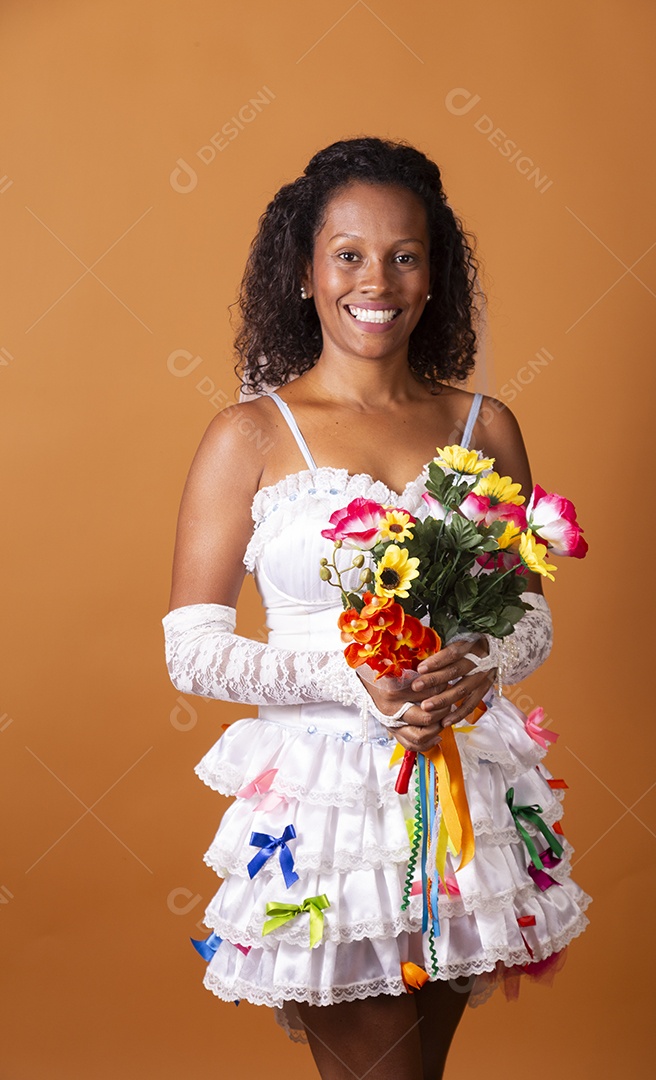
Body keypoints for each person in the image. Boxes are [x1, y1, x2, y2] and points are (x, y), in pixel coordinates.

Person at [162, 137, 591, 1080]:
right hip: (327, 815)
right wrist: (350, 678)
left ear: (435, 277)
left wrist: (483, 664)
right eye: (348, 254)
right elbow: (191, 647)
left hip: (461, 792)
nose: (377, 281)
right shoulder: (249, 434)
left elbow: (529, 616)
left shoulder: (486, 424)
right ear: (305, 273)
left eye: (405, 256)